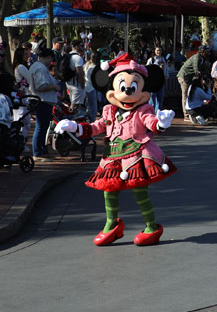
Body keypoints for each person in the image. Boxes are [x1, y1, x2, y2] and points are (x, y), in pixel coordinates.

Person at [54, 54, 175, 246]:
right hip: (113, 156)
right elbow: (96, 127)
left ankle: (152, 227)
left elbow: (151, 124)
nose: (127, 92)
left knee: (139, 191)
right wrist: (74, 127)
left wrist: (161, 123)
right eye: (122, 87)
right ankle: (112, 224)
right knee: (108, 190)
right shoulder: (110, 111)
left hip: (136, 156)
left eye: (133, 87)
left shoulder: (143, 110)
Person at [27, 47, 60, 160]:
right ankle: (38, 152)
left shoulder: (37, 67)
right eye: (51, 59)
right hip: (41, 101)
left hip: (41, 100)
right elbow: (41, 86)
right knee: (41, 127)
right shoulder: (40, 68)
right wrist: (54, 86)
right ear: (48, 57)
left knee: (42, 127)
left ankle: (40, 151)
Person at [145, 46, 168, 111]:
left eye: (160, 50)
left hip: (161, 81)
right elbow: (146, 69)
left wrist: (166, 75)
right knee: (152, 100)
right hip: (153, 81)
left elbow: (166, 69)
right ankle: (151, 114)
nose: (159, 52)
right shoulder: (151, 60)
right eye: (157, 50)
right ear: (154, 51)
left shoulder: (164, 59)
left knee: (160, 100)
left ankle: (158, 114)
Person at [84, 51, 101, 121]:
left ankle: (87, 120)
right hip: (92, 88)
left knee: (88, 107)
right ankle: (92, 123)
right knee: (93, 108)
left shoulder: (86, 65)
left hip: (85, 87)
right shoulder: (94, 67)